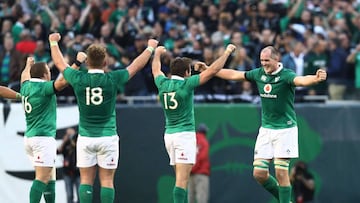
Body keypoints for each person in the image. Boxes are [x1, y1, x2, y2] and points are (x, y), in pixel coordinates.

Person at [196, 46, 327, 203]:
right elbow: (234, 74)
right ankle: (286, 200)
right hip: (266, 129)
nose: (264, 64)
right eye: (262, 60)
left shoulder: (286, 75)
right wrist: (211, 70)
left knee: (281, 173)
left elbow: (300, 80)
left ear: (276, 59)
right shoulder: (259, 73)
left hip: (285, 129)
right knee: (259, 173)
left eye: (267, 60)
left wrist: (315, 78)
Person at [48, 32, 158, 203]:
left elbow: (60, 63)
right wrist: (150, 47)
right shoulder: (112, 78)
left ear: (87, 63)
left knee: (86, 181)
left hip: (85, 137)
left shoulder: (78, 77)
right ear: (105, 63)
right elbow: (135, 66)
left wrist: (53, 43)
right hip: (108, 137)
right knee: (107, 180)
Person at [151, 43, 236, 203]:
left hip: (169, 135)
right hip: (184, 135)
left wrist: (157, 54)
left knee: (179, 179)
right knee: (182, 181)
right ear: (187, 72)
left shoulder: (162, 83)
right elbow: (212, 71)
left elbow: (156, 69)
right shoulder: (186, 84)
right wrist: (227, 52)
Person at [20, 51, 86, 203]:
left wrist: (27, 65)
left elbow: (24, 76)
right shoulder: (43, 88)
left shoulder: (25, 87)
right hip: (42, 139)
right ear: (44, 75)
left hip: (30, 138)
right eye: (49, 71)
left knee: (50, 175)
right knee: (42, 177)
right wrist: (77, 63)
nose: (50, 74)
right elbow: (63, 82)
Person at [188, 123, 210, 203]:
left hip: (190, 173)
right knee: (202, 198)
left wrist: (190, 169)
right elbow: (202, 157)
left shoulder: (191, 141)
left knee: (191, 197)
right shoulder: (204, 141)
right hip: (201, 173)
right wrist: (195, 168)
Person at [57, 127, 80, 203]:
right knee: (69, 195)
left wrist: (75, 140)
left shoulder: (78, 143)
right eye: (68, 134)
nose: (70, 136)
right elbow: (58, 151)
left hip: (78, 172)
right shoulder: (65, 144)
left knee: (80, 194)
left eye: (72, 134)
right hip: (67, 173)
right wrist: (64, 141)